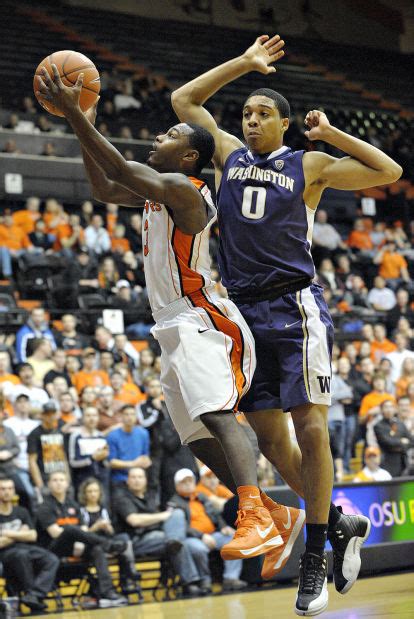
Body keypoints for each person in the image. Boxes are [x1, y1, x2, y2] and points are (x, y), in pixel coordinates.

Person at [171, 33, 400, 613]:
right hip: (242, 310)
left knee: (313, 429)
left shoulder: (310, 164)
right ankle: (341, 521)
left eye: (263, 114)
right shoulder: (227, 153)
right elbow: (184, 101)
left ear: (285, 123)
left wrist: (329, 134)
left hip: (295, 306)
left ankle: (315, 556)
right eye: (246, 113)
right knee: (271, 441)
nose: (250, 121)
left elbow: (389, 169)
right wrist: (243, 65)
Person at [37, 67, 293, 568]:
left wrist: (75, 112)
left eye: (171, 134)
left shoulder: (184, 189)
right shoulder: (160, 190)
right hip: (170, 324)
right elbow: (106, 185)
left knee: (220, 416)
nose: (160, 136)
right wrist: (79, 120)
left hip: (203, 318)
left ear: (190, 157)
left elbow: (120, 168)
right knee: (195, 437)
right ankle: (277, 514)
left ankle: (253, 516)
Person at [35, 471, 128, 608]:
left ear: (67, 484)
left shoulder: (73, 505)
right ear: (48, 484)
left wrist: (79, 539)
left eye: (62, 479)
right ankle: (107, 544)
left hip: (74, 547)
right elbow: (55, 533)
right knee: (70, 529)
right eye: (55, 480)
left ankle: (108, 592)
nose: (59, 483)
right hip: (53, 550)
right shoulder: (45, 506)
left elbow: (84, 531)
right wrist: (75, 534)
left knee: (96, 549)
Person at [112, 466, 205, 597]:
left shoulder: (151, 496)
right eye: (133, 477)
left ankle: (175, 544)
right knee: (177, 536)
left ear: (145, 480)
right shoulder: (122, 498)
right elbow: (134, 520)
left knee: (178, 520)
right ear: (127, 481)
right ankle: (189, 582)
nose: (137, 480)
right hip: (137, 541)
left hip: (159, 536)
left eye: (140, 477)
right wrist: (163, 516)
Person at [168, 468, 247, 592]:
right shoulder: (174, 503)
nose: (188, 484)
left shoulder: (200, 497)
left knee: (235, 539)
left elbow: (215, 514)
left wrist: (223, 527)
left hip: (212, 535)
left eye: (190, 481)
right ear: (177, 486)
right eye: (184, 482)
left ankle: (231, 578)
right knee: (199, 549)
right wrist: (201, 536)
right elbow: (181, 527)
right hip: (191, 538)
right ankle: (205, 580)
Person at [0, 476, 59, 611]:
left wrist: (7, 534)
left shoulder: (21, 511)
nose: (6, 492)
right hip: (5, 554)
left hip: (25, 547)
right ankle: (30, 594)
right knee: (21, 555)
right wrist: (20, 533)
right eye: (2, 489)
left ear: (14, 491)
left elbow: (32, 536)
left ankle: (34, 594)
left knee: (51, 559)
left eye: (9, 488)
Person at [78, 477, 141, 595]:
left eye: (95, 491)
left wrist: (109, 528)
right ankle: (108, 589)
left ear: (100, 493)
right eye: (89, 491)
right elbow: (82, 534)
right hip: (91, 544)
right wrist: (95, 527)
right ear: (84, 494)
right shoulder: (81, 511)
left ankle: (128, 576)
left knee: (123, 539)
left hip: (108, 540)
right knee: (98, 550)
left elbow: (114, 531)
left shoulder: (105, 509)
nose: (93, 494)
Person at [107, 404, 151, 485]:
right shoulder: (112, 436)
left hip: (138, 478)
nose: (129, 417)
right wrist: (133, 463)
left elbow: (145, 456)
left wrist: (146, 461)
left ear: (136, 416)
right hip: (119, 479)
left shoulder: (143, 433)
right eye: (126, 414)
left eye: (132, 414)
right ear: (121, 417)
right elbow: (111, 462)